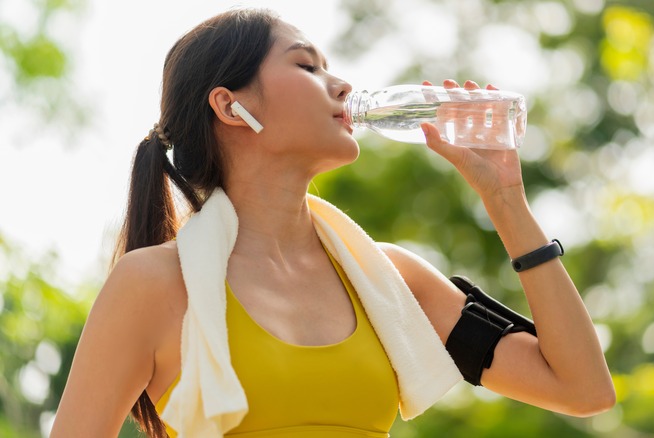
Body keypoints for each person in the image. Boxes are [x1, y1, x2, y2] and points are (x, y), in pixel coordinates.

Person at [51, 8, 615, 438]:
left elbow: (583, 389)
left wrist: (507, 202)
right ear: (230, 107)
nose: (342, 85)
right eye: (306, 65)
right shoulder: (153, 285)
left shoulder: (390, 281)